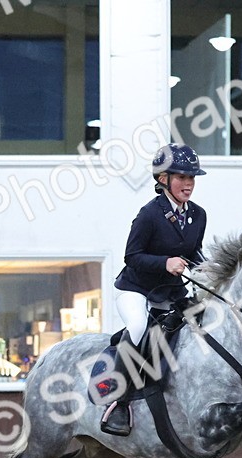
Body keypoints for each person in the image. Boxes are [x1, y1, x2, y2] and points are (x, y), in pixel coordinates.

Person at [101, 142, 208, 436]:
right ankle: (119, 401)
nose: (189, 184)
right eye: (182, 177)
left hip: (171, 292)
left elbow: (194, 252)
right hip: (136, 289)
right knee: (138, 327)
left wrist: (210, 271)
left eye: (191, 177)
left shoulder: (198, 215)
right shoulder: (149, 214)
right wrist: (165, 263)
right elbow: (132, 256)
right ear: (163, 179)